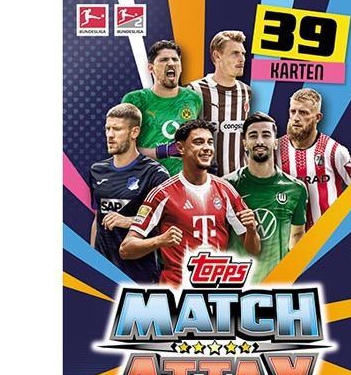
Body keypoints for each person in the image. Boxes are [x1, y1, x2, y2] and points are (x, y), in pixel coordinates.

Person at [121, 119, 259, 287]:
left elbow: (253, 249)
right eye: (198, 142)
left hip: (216, 292)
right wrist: (159, 241)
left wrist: (252, 231)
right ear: (181, 148)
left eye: (210, 142)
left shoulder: (225, 190)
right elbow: (126, 249)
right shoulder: (162, 194)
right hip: (176, 293)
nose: (207, 148)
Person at [88, 103, 170, 281]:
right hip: (103, 274)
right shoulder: (97, 170)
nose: (110, 135)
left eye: (117, 129)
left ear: (134, 132)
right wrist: (92, 261)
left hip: (139, 275)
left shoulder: (155, 173)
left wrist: (129, 221)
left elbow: (168, 222)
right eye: (108, 129)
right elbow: (97, 218)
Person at [225, 113, 307, 283]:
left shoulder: (296, 188)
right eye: (253, 136)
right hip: (238, 285)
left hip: (278, 285)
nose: (260, 141)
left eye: (266, 135)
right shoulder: (226, 186)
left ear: (276, 142)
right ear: (245, 143)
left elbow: (298, 234)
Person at [276, 88, 351, 230]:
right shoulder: (275, 150)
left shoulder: (335, 151)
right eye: (293, 111)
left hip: (327, 234)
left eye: (303, 113)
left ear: (318, 117)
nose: (296, 118)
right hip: (286, 236)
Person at [121, 40, 202, 176]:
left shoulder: (194, 98)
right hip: (147, 179)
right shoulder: (134, 100)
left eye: (175, 59)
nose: (171, 63)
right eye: (164, 60)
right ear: (151, 68)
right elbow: (124, 150)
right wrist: (164, 151)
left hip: (184, 180)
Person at [190, 29, 251, 177]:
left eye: (243, 54)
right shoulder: (194, 90)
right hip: (207, 180)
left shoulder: (246, 91)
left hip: (239, 180)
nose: (242, 59)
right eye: (235, 53)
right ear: (217, 56)